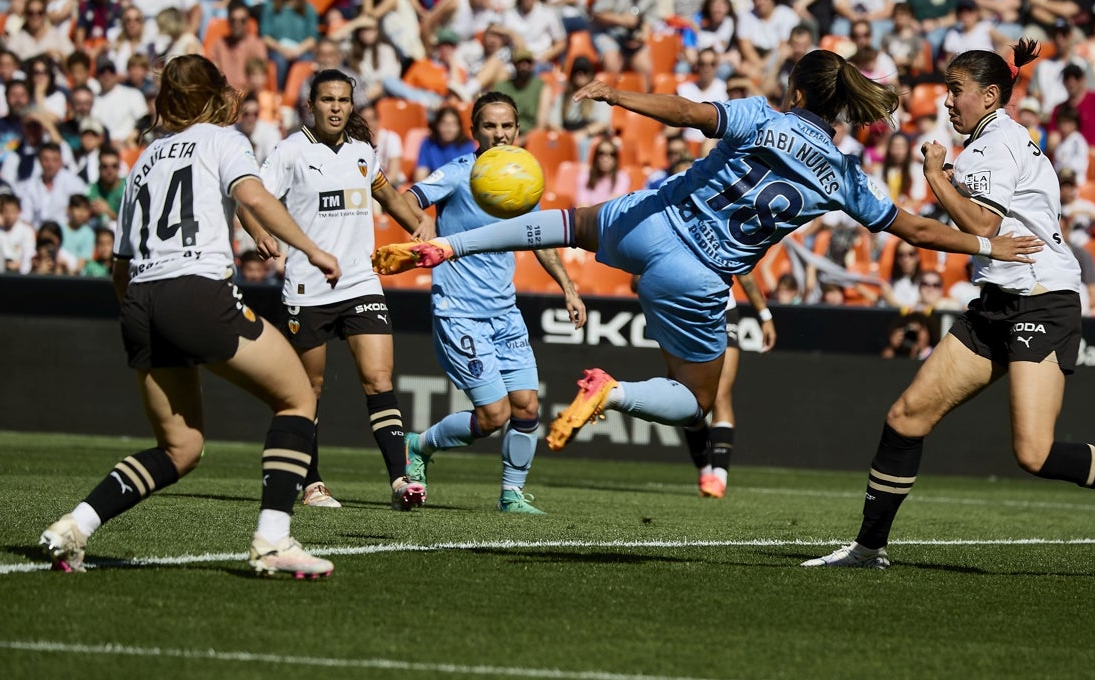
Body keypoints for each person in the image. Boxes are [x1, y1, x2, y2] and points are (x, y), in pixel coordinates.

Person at [374, 48, 1044, 455]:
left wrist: (618, 95)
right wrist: (988, 242)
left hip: (655, 219)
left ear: (798, 93)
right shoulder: (845, 176)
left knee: (560, 223)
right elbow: (919, 233)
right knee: (696, 401)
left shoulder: (761, 116)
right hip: (694, 277)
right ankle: (611, 393)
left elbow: (689, 112)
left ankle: (444, 246)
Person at [803, 40, 1095, 570]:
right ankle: (868, 549)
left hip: (1041, 303)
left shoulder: (996, 143)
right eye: (947, 90)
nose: (947, 101)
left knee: (1034, 453)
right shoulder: (993, 137)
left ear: (989, 95)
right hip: (996, 303)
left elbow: (982, 227)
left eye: (955, 91)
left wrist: (934, 175)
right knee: (906, 417)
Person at [39, 54, 342, 578]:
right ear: (213, 95)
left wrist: (147, 318)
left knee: (180, 448)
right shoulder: (224, 139)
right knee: (297, 398)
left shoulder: (143, 161)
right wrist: (312, 249)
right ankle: (273, 541)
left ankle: (75, 527)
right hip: (195, 290)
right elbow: (250, 193)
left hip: (140, 301)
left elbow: (120, 265)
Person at [240, 68, 434, 511]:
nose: (335, 107)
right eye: (327, 100)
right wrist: (257, 232)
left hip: (360, 281)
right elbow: (251, 198)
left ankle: (401, 481)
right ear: (311, 105)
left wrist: (423, 230)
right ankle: (311, 483)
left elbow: (389, 198)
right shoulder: (289, 152)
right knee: (307, 390)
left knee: (379, 379)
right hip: (308, 288)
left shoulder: (364, 152)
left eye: (343, 101)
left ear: (352, 106)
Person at [399, 91, 586, 514]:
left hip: (505, 312)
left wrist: (568, 288)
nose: (499, 133)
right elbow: (410, 198)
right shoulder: (460, 172)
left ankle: (512, 495)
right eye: (489, 126)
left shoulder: (522, 178)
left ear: (518, 131)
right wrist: (422, 217)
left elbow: (540, 236)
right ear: (475, 132)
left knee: (527, 406)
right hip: (459, 310)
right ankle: (419, 445)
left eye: (506, 126)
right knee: (493, 416)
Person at [683, 274, 775, 498]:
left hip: (723, 311)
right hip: (686, 312)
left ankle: (719, 478)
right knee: (691, 399)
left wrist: (765, 316)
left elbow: (745, 274)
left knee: (721, 394)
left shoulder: (724, 239)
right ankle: (705, 471)